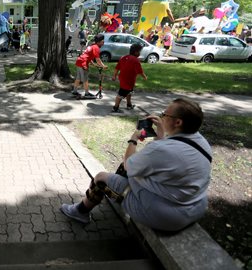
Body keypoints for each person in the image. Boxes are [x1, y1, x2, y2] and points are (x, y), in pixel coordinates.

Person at [61, 98, 212, 232]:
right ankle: (114, 193)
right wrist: (160, 133)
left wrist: (133, 140)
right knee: (133, 169)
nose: (162, 117)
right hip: (195, 207)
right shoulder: (201, 142)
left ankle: (80, 212)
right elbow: (168, 158)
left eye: (165, 115)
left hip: (167, 216)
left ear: (178, 122)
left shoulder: (161, 150)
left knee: (101, 178)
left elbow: (128, 165)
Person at [111, 43, 148, 113]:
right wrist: (145, 77)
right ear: (136, 52)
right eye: (139, 51)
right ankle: (115, 107)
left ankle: (129, 105)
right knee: (121, 94)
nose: (140, 53)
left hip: (123, 78)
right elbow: (140, 72)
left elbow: (117, 68)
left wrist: (114, 76)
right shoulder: (136, 60)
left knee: (129, 92)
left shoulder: (123, 57)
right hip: (128, 80)